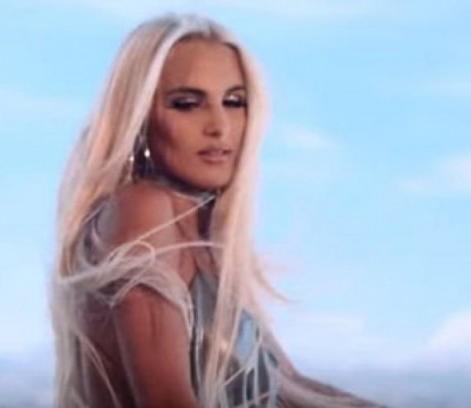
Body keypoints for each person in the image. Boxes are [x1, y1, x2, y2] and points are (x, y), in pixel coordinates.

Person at [50, 13, 385, 408]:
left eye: (234, 102)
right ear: (139, 117)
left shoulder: (205, 238)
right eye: (187, 104)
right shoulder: (142, 209)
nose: (220, 126)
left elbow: (290, 387)